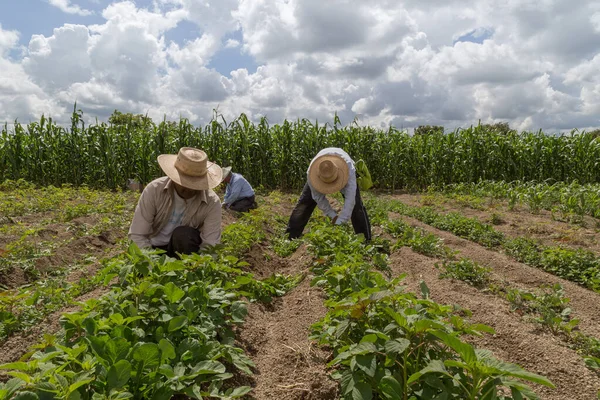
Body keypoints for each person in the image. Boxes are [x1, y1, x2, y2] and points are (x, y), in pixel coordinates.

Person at [128, 147, 223, 258]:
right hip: (153, 248)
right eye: (184, 182)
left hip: (184, 251)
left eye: (194, 184)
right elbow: (137, 235)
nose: (189, 188)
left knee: (184, 235)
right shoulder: (154, 190)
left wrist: (198, 269)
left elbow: (210, 245)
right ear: (174, 177)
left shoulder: (212, 202)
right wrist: (152, 266)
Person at [285, 147, 371, 240]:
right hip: (320, 171)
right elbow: (318, 197)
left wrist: (341, 221)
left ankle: (365, 240)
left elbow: (351, 200)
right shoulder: (311, 174)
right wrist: (332, 216)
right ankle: (290, 237)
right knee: (305, 203)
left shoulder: (349, 170)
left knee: (357, 206)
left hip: (345, 171)